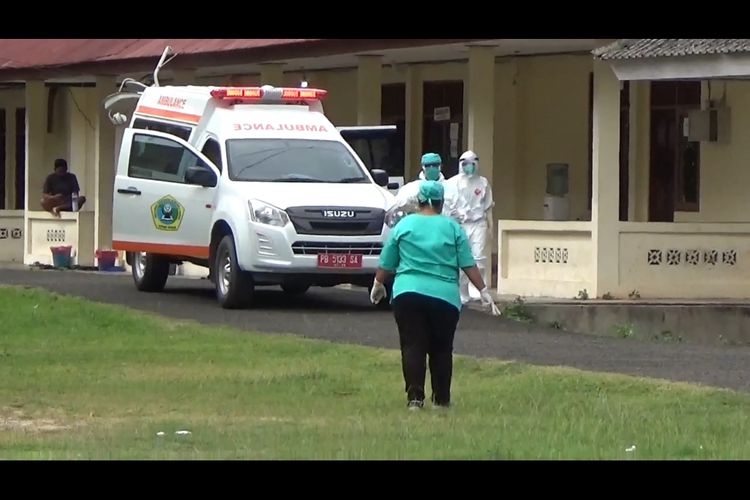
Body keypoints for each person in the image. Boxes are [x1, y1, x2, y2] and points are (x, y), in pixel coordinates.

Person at [370, 180, 497, 410]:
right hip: (444, 298)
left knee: (412, 346)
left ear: (419, 202)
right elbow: (468, 264)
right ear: (441, 203)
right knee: (441, 348)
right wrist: (483, 290)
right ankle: (441, 400)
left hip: (408, 294)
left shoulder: (404, 226)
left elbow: (387, 262)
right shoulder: (452, 228)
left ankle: (415, 400)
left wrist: (378, 283)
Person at [445, 150, 494, 305]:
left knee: (479, 257)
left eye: (471, 164)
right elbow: (446, 207)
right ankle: (463, 291)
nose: (468, 167)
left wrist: (490, 226)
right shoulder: (452, 183)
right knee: (463, 259)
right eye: (465, 164)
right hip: (461, 224)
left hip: (478, 223)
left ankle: (478, 289)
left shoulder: (483, 183)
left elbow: (488, 207)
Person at [393, 152, 456, 217]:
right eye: (428, 165)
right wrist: (413, 201)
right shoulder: (411, 188)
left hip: (443, 225)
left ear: (440, 166)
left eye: (435, 165)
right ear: (423, 167)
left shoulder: (451, 187)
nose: (431, 167)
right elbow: (397, 205)